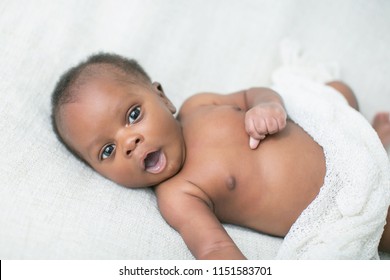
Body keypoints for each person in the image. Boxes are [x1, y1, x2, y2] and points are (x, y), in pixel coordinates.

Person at [51, 53, 390, 259]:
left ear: (163, 99)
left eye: (133, 115)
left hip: (329, 138)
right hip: (335, 203)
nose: (129, 141)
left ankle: (371, 141)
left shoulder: (198, 105)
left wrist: (266, 105)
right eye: (107, 150)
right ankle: (377, 146)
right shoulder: (178, 195)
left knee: (336, 93)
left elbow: (250, 93)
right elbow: (214, 249)